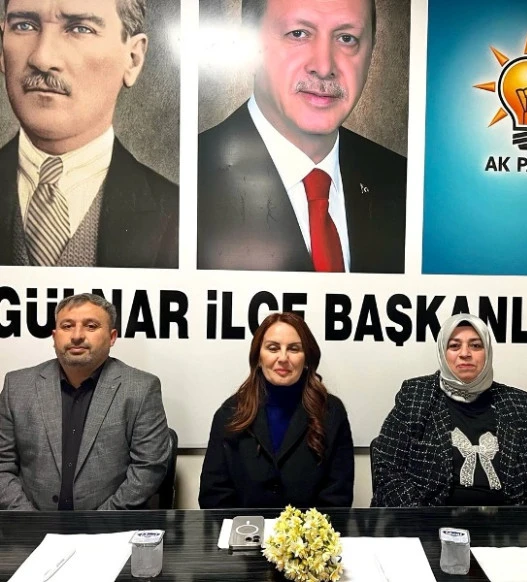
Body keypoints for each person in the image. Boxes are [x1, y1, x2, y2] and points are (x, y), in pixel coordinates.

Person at [197, 0, 406, 273]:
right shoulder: (187, 181)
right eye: (298, 34)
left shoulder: (406, 185)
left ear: (371, 51)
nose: (324, 66)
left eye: (346, 38)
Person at [0, 0, 178, 268]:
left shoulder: (183, 215)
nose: (42, 58)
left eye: (80, 29)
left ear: (133, 59)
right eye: (24, 26)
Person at [371, 313, 527, 507]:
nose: (465, 353)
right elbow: (387, 473)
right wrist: (423, 520)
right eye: (454, 346)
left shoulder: (521, 404)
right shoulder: (416, 396)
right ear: (442, 353)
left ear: (487, 352)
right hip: (432, 521)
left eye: (475, 345)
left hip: (510, 524)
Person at [0, 293, 171, 510]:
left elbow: (149, 467)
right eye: (67, 326)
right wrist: (31, 520)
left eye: (91, 326)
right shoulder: (17, 386)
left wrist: (98, 522)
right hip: (31, 523)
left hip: (110, 524)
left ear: (112, 337)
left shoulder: (141, 388)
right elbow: (2, 464)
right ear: (54, 336)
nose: (77, 336)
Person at [199, 312, 354, 508]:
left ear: (307, 357)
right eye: (273, 348)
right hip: (244, 527)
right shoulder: (230, 413)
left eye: (294, 349)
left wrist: (303, 528)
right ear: (258, 356)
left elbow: (338, 497)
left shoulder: (331, 412)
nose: (283, 358)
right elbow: (214, 496)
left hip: (309, 528)